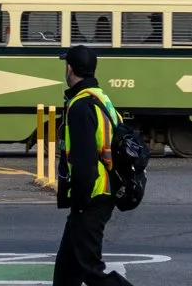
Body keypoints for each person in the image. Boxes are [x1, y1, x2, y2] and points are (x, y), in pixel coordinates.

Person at [53, 45, 133, 286]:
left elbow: (85, 161)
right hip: (101, 192)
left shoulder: (80, 106)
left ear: (70, 69)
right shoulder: (102, 99)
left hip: (92, 195)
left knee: (91, 271)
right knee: (67, 273)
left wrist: (79, 200)